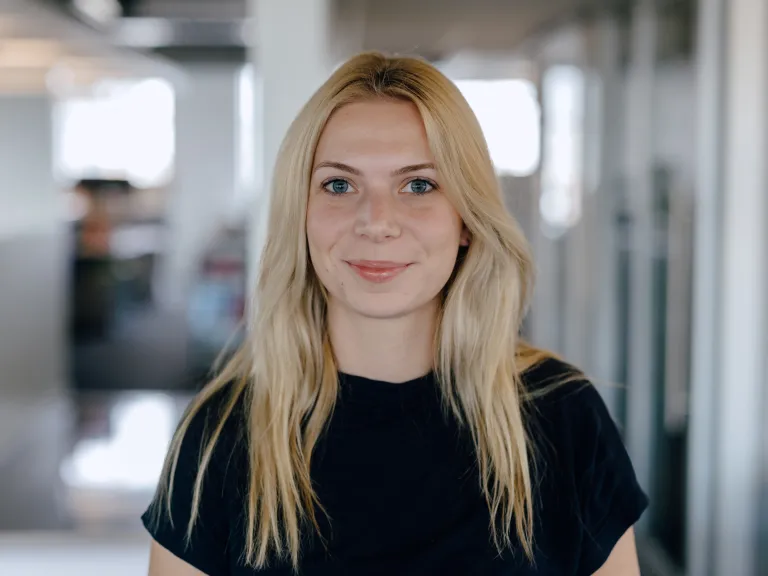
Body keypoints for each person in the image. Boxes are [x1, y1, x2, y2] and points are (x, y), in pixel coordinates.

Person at [143, 52, 648, 576]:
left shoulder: (563, 416)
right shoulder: (221, 433)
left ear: (467, 220)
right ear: (302, 216)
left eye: (419, 185)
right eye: (339, 185)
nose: (377, 222)